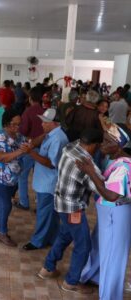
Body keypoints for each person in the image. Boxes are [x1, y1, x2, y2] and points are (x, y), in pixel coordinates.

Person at [36, 128, 117, 294]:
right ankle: (71, 282)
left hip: (60, 202)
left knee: (65, 235)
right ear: (94, 145)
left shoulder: (71, 147)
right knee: (83, 245)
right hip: (73, 209)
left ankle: (48, 268)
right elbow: (103, 189)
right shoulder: (85, 165)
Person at [79, 124, 131, 300]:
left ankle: (109, 296)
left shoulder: (124, 167)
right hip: (109, 216)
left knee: (112, 260)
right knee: (103, 253)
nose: (102, 143)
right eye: (104, 138)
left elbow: (111, 195)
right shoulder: (113, 159)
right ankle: (96, 279)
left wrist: (90, 172)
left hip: (115, 216)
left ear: (119, 145)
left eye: (108, 141)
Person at [21, 108, 68, 250]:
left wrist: (30, 153)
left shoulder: (58, 139)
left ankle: (38, 241)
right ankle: (52, 238)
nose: (42, 125)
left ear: (54, 123)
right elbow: (38, 141)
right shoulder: (51, 134)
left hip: (49, 183)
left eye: (45, 122)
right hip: (45, 181)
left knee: (44, 213)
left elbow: (51, 163)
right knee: (51, 215)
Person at [0, 109, 27, 247]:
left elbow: (28, 142)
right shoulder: (0, 136)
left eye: (19, 124)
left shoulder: (18, 136)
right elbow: (1, 156)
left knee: (0, 200)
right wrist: (21, 151)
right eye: (14, 124)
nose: (17, 127)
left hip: (11, 179)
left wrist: (43, 136)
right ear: (6, 124)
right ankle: (2, 233)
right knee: (5, 204)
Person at [17, 87, 45, 210]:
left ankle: (24, 202)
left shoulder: (28, 112)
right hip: (44, 148)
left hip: (30, 148)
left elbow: (23, 130)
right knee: (39, 177)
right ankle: (39, 204)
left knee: (23, 175)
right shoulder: (46, 111)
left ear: (30, 98)